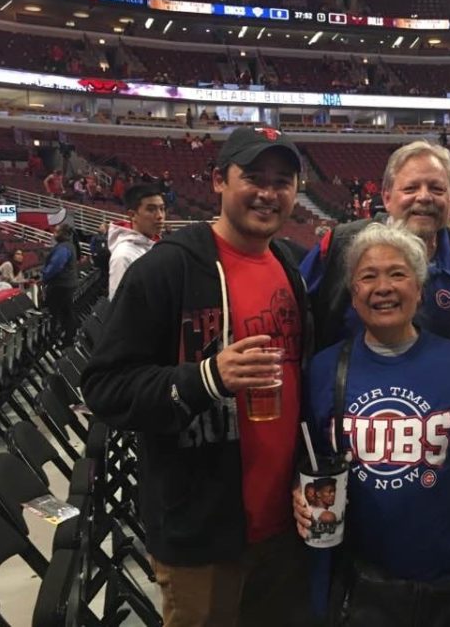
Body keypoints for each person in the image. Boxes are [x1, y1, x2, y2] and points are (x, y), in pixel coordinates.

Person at [81, 126, 314, 626]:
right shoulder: (167, 269)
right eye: (253, 176)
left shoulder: (288, 266)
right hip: (203, 535)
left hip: (285, 524)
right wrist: (205, 378)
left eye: (283, 180)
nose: (269, 193)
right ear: (217, 181)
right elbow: (103, 388)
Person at [296, 223, 450, 627]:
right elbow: (308, 463)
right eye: (368, 276)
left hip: (444, 582)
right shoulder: (324, 369)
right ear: (353, 295)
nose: (383, 287)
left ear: (419, 289)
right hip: (358, 584)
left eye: (397, 274)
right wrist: (298, 495)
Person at [301, 140, 450, 349]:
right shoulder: (340, 244)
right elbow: (293, 310)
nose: (424, 197)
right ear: (387, 198)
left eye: (437, 189)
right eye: (411, 188)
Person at [107, 183, 166, 300]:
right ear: (132, 215)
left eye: (162, 209)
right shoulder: (123, 256)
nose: (160, 216)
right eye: (151, 209)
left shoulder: (157, 245)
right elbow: (120, 309)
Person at [41, 224, 79, 347]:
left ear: (63, 234)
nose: (54, 234)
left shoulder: (63, 248)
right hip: (68, 284)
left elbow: (55, 267)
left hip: (60, 286)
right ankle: (69, 338)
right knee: (67, 312)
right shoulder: (69, 245)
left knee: (57, 314)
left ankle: (59, 340)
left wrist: (44, 276)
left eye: (56, 232)